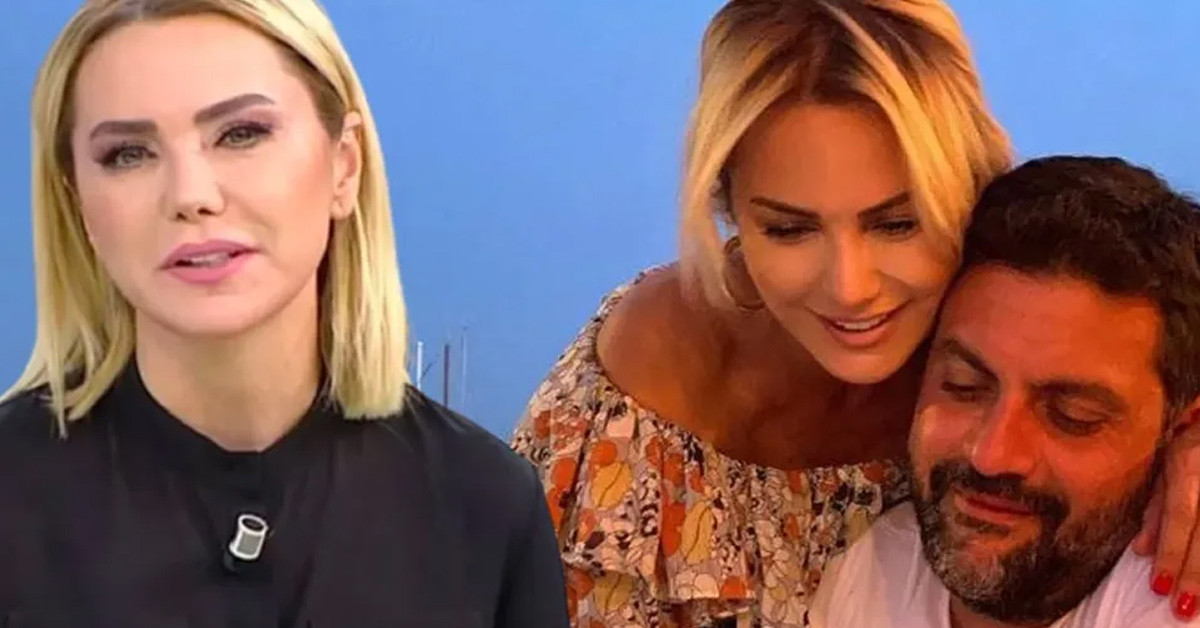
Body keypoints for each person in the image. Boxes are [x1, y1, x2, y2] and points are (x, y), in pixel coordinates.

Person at [510, 1, 1200, 626]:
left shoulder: (996, 308)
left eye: (898, 223)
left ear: (968, 191)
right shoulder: (638, 398)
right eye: (788, 230)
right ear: (730, 212)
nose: (850, 288)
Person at [0, 1, 568, 626]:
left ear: (344, 166)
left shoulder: (484, 503)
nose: (191, 195)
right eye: (128, 153)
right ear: (79, 204)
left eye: (241, 134)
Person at [807, 155, 1200, 627]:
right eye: (963, 387)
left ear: (1179, 425)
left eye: (1072, 416)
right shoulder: (866, 568)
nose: (992, 456)